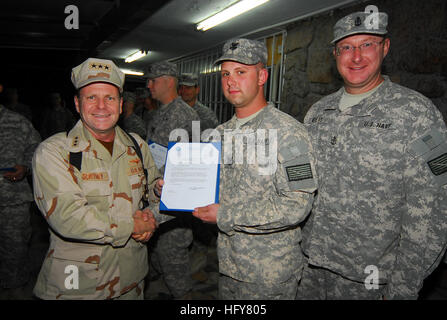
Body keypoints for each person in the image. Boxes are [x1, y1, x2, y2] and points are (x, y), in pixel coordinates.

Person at [298, 9, 447, 300]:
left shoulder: (416, 113)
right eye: (346, 47)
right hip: (311, 269)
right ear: (335, 54)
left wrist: (403, 288)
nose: (356, 57)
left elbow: (433, 211)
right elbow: (301, 187)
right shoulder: (317, 113)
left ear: (385, 47)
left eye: (367, 44)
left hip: (371, 280)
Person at [193, 38, 317, 299]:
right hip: (228, 265)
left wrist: (226, 214)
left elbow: (296, 205)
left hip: (269, 275)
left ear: (262, 76)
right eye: (225, 73)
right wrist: (174, 188)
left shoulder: (288, 133)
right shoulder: (218, 134)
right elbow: (207, 188)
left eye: (241, 72)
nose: (230, 81)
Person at [32, 57, 165, 300]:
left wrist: (155, 206)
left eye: (110, 98)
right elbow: (68, 216)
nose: (101, 106)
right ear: (76, 103)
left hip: (132, 280)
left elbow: (152, 197)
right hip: (79, 286)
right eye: (91, 97)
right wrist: (134, 226)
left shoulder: (137, 146)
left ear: (121, 103)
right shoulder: (54, 151)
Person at [145, 61, 200, 299]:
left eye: (153, 80)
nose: (148, 85)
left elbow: (190, 164)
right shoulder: (160, 112)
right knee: (160, 253)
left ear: (168, 81)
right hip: (157, 194)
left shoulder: (186, 115)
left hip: (174, 200)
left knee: (173, 256)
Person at [0, 104, 41, 299]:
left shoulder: (18, 122)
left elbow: (37, 148)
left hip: (12, 198)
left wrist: (25, 167)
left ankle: (15, 289)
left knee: (15, 248)